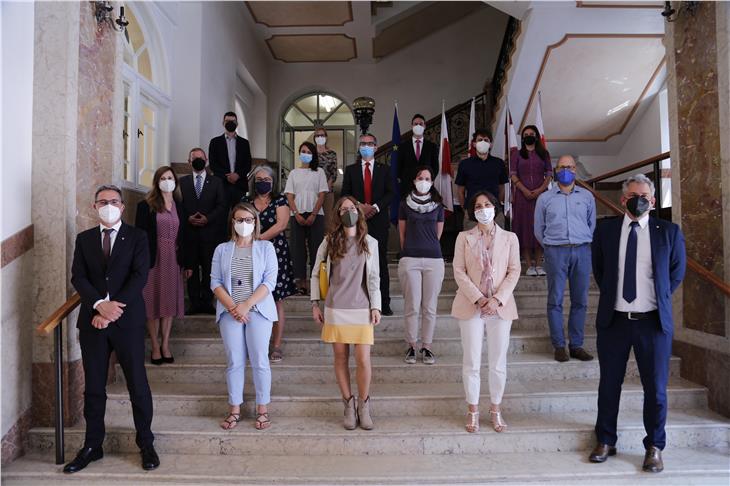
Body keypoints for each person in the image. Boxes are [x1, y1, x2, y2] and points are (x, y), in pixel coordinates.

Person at [589, 174, 686, 473]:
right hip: (614, 321)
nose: (639, 200)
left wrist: (657, 298)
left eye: (644, 196)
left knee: (655, 389)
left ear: (653, 201)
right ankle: (606, 439)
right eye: (633, 195)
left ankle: (654, 446)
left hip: (652, 323)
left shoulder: (668, 232)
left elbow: (676, 273)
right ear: (623, 199)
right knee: (609, 384)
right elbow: (600, 271)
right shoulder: (606, 231)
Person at [65, 185, 159, 473]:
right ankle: (92, 445)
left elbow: (139, 276)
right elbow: (78, 277)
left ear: (122, 206)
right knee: (94, 387)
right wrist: (98, 305)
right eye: (103, 201)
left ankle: (146, 442)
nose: (108, 205)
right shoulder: (84, 239)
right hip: (92, 322)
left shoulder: (138, 237)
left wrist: (111, 310)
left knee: (137, 384)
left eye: (114, 201)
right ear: (94, 206)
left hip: (127, 320)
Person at [311, 196, 382, 430]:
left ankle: (364, 405)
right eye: (343, 209)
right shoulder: (329, 241)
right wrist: (315, 303)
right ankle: (348, 405)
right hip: (335, 307)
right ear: (337, 214)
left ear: (359, 212)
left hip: (361, 308)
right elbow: (316, 273)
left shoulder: (370, 242)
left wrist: (376, 306)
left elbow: (374, 278)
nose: (348, 212)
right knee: (340, 358)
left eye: (352, 208)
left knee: (363, 359)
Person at [452, 191, 520, 434]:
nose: (483, 209)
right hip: (471, 305)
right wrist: (479, 298)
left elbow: (514, 270)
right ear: (473, 211)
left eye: (487, 204)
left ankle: (495, 408)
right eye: (478, 206)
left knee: (498, 362)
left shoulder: (510, 237)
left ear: (495, 207)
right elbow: (458, 271)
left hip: (500, 307)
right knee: (471, 361)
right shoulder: (463, 237)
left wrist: (497, 299)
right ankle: (472, 410)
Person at [211, 202, 278, 431]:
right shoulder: (222, 249)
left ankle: (262, 409)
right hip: (230, 312)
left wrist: (246, 305)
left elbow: (269, 281)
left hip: (258, 310)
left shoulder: (266, 248)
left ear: (255, 222)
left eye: (249, 220)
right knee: (234, 361)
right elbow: (215, 282)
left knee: (260, 359)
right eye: (239, 219)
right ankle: (234, 410)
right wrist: (233, 307)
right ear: (233, 222)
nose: (244, 224)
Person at [534, 155, 596, 363]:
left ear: (575, 170)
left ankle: (576, 345)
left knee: (580, 301)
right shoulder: (545, 198)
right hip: (555, 252)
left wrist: (581, 241)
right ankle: (559, 345)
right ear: (556, 170)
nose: (566, 171)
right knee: (555, 300)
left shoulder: (587, 196)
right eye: (561, 167)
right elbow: (539, 229)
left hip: (582, 251)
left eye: (569, 167)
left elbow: (591, 224)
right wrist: (552, 246)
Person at [135, 166, 188, 365]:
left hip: (173, 260)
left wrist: (187, 262)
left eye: (170, 178)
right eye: (163, 178)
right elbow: (139, 237)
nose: (167, 181)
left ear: (175, 182)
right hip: (152, 259)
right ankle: (155, 346)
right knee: (152, 302)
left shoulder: (180, 206)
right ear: (157, 182)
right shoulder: (145, 205)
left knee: (168, 303)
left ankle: (166, 344)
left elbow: (185, 237)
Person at [242, 164, 296, 362]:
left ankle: (276, 345)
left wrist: (258, 239)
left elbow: (281, 225)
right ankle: (255, 344)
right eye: (259, 180)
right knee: (251, 297)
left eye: (267, 180)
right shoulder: (246, 201)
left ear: (273, 182)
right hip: (250, 253)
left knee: (276, 299)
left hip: (276, 252)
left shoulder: (280, 200)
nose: (263, 183)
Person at [342, 133, 395, 315]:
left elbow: (391, 193)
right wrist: (359, 207)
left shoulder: (385, 169)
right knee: (356, 261)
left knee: (380, 263)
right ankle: (358, 301)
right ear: (359, 147)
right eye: (363, 144)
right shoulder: (350, 170)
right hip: (355, 221)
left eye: (369, 143)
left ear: (376, 147)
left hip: (379, 222)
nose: (366, 146)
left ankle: (384, 304)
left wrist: (375, 207)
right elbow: (345, 193)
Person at [398, 166, 445, 365]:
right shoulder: (404, 204)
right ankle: (411, 345)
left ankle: (427, 346)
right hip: (410, 258)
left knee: (430, 307)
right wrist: (409, 250)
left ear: (432, 182)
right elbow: (402, 233)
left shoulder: (438, 206)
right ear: (414, 180)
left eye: (427, 178)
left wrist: (428, 246)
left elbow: (438, 233)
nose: (423, 181)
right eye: (420, 177)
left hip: (434, 259)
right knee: (412, 305)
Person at [179, 148, 227, 314]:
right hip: (190, 234)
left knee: (209, 270)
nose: (198, 160)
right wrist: (187, 218)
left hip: (210, 234)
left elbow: (222, 205)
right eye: (194, 158)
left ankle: (207, 302)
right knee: (190, 270)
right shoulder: (182, 182)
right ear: (189, 162)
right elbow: (178, 204)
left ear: (206, 161)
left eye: (201, 158)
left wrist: (208, 218)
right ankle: (194, 303)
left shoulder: (216, 182)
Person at [284, 141, 329, 294]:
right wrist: (296, 213)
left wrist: (313, 214)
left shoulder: (319, 172)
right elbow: (290, 196)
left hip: (316, 214)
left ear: (313, 155)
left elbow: (322, 195)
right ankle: (301, 284)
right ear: (299, 153)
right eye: (303, 151)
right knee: (298, 250)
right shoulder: (293, 173)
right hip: (297, 214)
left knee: (317, 249)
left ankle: (316, 283)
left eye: (309, 152)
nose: (306, 154)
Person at [510, 125, 552, 276]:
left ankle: (539, 264)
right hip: (522, 196)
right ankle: (529, 266)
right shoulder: (516, 154)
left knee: (540, 227)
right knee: (525, 228)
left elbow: (549, 174)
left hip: (541, 196)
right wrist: (524, 190)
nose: (528, 136)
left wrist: (540, 190)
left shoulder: (544, 153)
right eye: (526, 134)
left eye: (531, 133)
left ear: (536, 136)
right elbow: (513, 175)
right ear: (522, 138)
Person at [455, 129, 508, 229]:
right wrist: (465, 208)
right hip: (472, 212)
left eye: (486, 140)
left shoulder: (499, 163)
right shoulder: (464, 164)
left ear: (490, 144)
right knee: (471, 238)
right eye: (480, 140)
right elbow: (460, 190)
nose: (483, 142)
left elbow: (501, 188)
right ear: (474, 144)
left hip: (495, 212)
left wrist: (497, 204)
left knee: (498, 238)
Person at [208, 111, 252, 207]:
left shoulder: (244, 143)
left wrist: (237, 175)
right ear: (223, 123)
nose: (230, 123)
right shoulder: (215, 142)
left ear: (237, 123)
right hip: (221, 184)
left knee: (239, 212)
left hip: (240, 184)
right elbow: (213, 164)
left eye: (233, 121)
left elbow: (248, 164)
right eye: (227, 121)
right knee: (221, 213)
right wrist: (227, 176)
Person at [397, 114, 439, 195]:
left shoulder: (432, 146)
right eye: (416, 124)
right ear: (412, 126)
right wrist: (405, 179)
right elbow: (399, 167)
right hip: (407, 187)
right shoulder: (403, 146)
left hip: (425, 187)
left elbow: (435, 167)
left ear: (425, 126)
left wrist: (427, 181)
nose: (418, 126)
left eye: (421, 124)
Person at [314, 126, 339, 230]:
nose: (320, 137)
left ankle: (328, 239)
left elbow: (334, 173)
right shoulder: (311, 153)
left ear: (326, 137)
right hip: (313, 190)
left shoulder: (332, 154)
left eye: (322, 135)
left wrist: (327, 186)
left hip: (328, 190)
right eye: (317, 135)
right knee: (314, 216)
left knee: (327, 218)